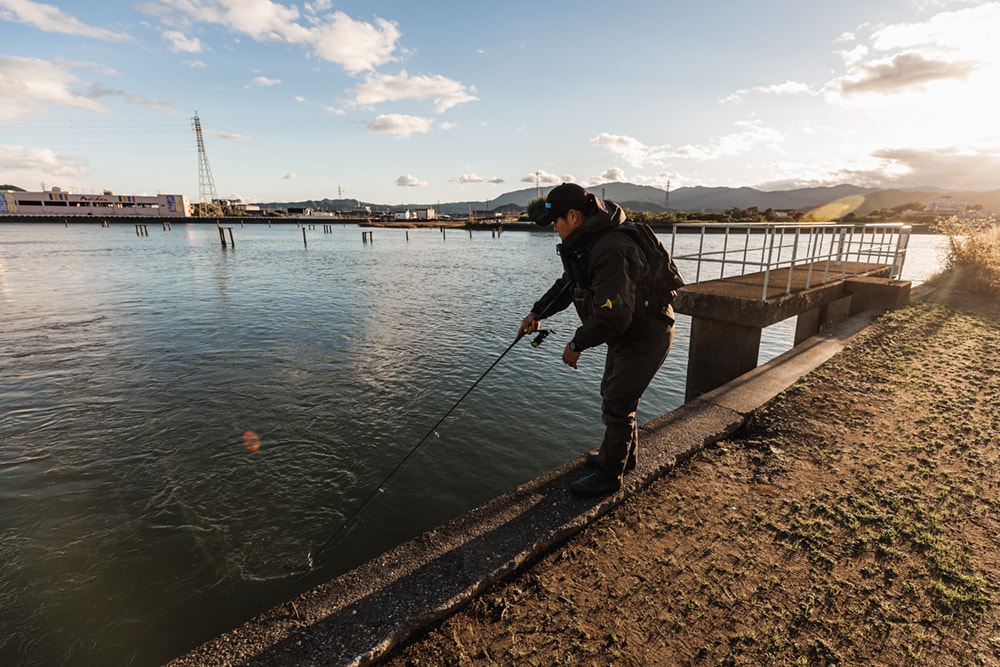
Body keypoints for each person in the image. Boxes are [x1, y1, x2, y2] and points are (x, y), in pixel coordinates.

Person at [519, 183, 675, 498]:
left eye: (555, 222)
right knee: (615, 395)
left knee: (618, 402)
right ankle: (621, 458)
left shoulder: (612, 247)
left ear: (573, 216)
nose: (554, 229)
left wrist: (576, 344)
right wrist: (538, 312)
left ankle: (608, 477)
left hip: (647, 332)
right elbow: (569, 284)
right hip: (629, 331)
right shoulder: (588, 242)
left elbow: (615, 314)